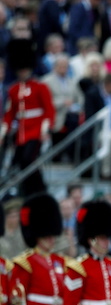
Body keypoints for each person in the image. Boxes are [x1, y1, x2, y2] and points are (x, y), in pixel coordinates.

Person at [1, 39, 56, 197]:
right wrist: (4, 130)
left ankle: (39, 190)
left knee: (27, 160)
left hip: (37, 129)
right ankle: (27, 191)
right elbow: (10, 113)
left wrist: (46, 127)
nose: (22, 72)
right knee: (17, 162)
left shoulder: (40, 87)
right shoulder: (13, 89)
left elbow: (48, 109)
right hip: (21, 131)